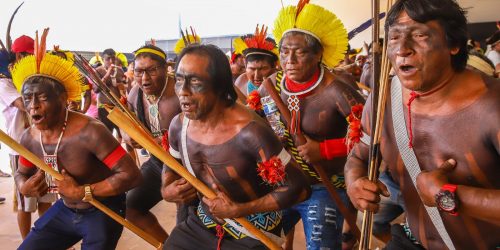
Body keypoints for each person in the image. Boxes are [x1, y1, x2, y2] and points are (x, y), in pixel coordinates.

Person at [345, 0, 500, 249]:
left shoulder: (492, 105)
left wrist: (450, 196)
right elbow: (357, 157)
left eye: (419, 35)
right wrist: (354, 183)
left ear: (454, 44)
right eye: (394, 37)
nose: (402, 49)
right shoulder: (382, 98)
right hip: (413, 241)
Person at [163, 44, 310, 249]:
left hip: (254, 233)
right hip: (202, 223)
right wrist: (167, 189)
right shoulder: (178, 126)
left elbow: (299, 189)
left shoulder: (251, 133)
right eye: (179, 80)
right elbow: (170, 168)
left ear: (220, 86)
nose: (183, 92)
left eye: (195, 82)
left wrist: (239, 210)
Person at [12, 32, 141, 249]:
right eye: (27, 98)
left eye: (42, 98)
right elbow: (21, 173)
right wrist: (23, 186)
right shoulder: (29, 137)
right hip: (66, 210)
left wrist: (84, 192)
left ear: (63, 99)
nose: (33, 105)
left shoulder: (90, 131)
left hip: (103, 211)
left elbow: (132, 176)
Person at [258, 2, 365, 249]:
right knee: (257, 240)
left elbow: (374, 137)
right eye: (284, 52)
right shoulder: (270, 87)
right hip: (284, 184)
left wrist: (325, 150)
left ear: (318, 54)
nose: (290, 60)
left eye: (300, 52)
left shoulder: (337, 91)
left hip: (325, 187)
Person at [124, 44, 181, 243]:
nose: (145, 78)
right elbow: (126, 122)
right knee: (130, 207)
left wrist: (166, 141)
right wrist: (128, 136)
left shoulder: (181, 91)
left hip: (188, 166)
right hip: (158, 163)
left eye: (152, 70)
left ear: (166, 68)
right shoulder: (135, 93)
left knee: (186, 222)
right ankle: (167, 247)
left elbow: (201, 129)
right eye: (139, 71)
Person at [1, 36, 56, 239]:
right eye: (29, 56)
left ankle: (50, 240)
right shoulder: (5, 83)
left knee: (46, 198)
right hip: (21, 149)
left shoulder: (36, 79)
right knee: (25, 203)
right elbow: (26, 106)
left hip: (44, 146)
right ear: (19, 56)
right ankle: (27, 244)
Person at [233, 25, 279, 98]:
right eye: (252, 69)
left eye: (263, 69)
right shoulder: (241, 81)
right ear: (245, 66)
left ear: (274, 66)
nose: (257, 76)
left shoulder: (282, 83)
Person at [94, 48, 126, 134]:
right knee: (107, 134)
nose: (111, 61)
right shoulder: (98, 71)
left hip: (118, 107)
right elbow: (96, 89)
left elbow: (125, 86)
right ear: (103, 59)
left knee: (122, 133)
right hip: (104, 108)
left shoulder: (119, 70)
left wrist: (122, 86)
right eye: (108, 59)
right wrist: (107, 74)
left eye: (113, 58)